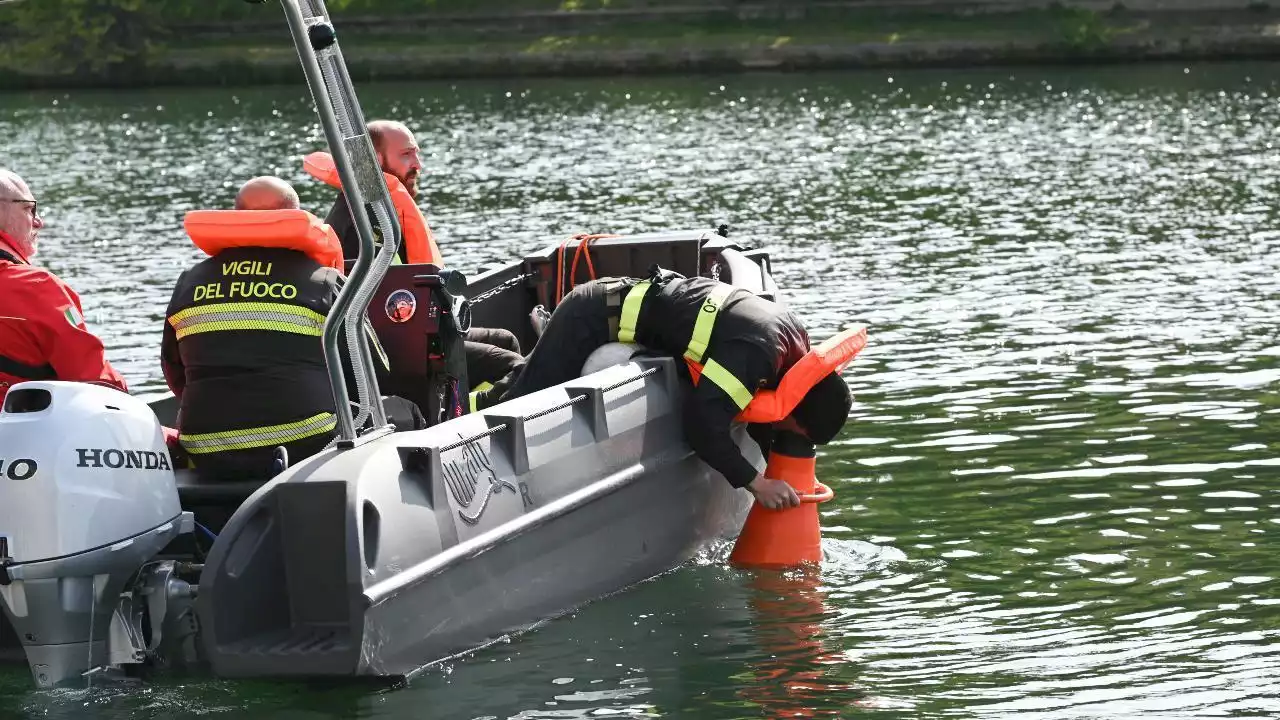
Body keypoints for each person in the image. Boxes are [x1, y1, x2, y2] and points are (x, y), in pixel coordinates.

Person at [474, 270, 856, 510]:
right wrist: (756, 484)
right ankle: (465, 404)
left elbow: (751, 410)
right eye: (791, 430)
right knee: (518, 405)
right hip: (590, 318)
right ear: (796, 405)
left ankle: (504, 376)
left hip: (611, 316)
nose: (780, 426)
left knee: (527, 381)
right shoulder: (757, 354)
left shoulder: (790, 343)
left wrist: (786, 472)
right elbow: (703, 423)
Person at [160, 176, 422, 481]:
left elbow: (174, 374)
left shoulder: (188, 283)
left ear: (236, 217)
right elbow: (373, 376)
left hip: (208, 450)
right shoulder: (324, 281)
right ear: (296, 217)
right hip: (306, 443)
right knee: (405, 409)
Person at [316, 119, 524, 387]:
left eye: (416, 153)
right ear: (374, 160)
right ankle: (481, 410)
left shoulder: (383, 209)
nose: (417, 164)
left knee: (505, 340)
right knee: (512, 366)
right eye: (406, 155)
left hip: (412, 333)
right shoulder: (359, 223)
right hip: (392, 350)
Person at [0, 168, 127, 406]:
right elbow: (98, 385)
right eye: (29, 208)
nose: (39, 222)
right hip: (30, 435)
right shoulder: (37, 288)